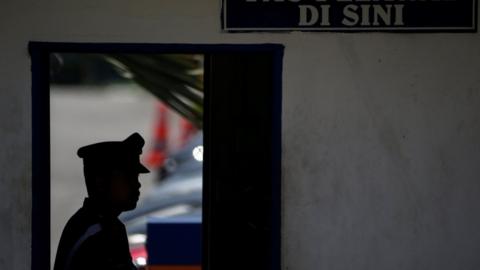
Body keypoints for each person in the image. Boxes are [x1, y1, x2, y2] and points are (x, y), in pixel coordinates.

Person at [53, 133, 150, 270]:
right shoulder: (101, 234)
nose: (137, 185)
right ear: (101, 183)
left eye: (136, 178)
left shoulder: (94, 223)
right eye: (129, 178)